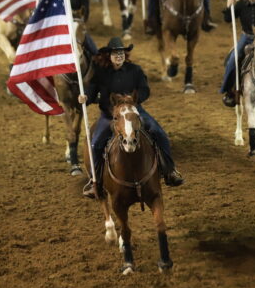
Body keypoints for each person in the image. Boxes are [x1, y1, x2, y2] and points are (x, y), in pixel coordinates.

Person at [78, 37, 184, 198]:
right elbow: (92, 93)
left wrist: (133, 100)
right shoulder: (101, 73)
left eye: (121, 53)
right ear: (109, 56)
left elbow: (145, 90)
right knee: (95, 143)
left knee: (159, 133)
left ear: (125, 55)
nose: (119, 56)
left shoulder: (135, 70)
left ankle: (170, 171)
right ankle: (95, 181)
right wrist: (85, 97)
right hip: (110, 116)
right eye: (115, 53)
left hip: (135, 112)